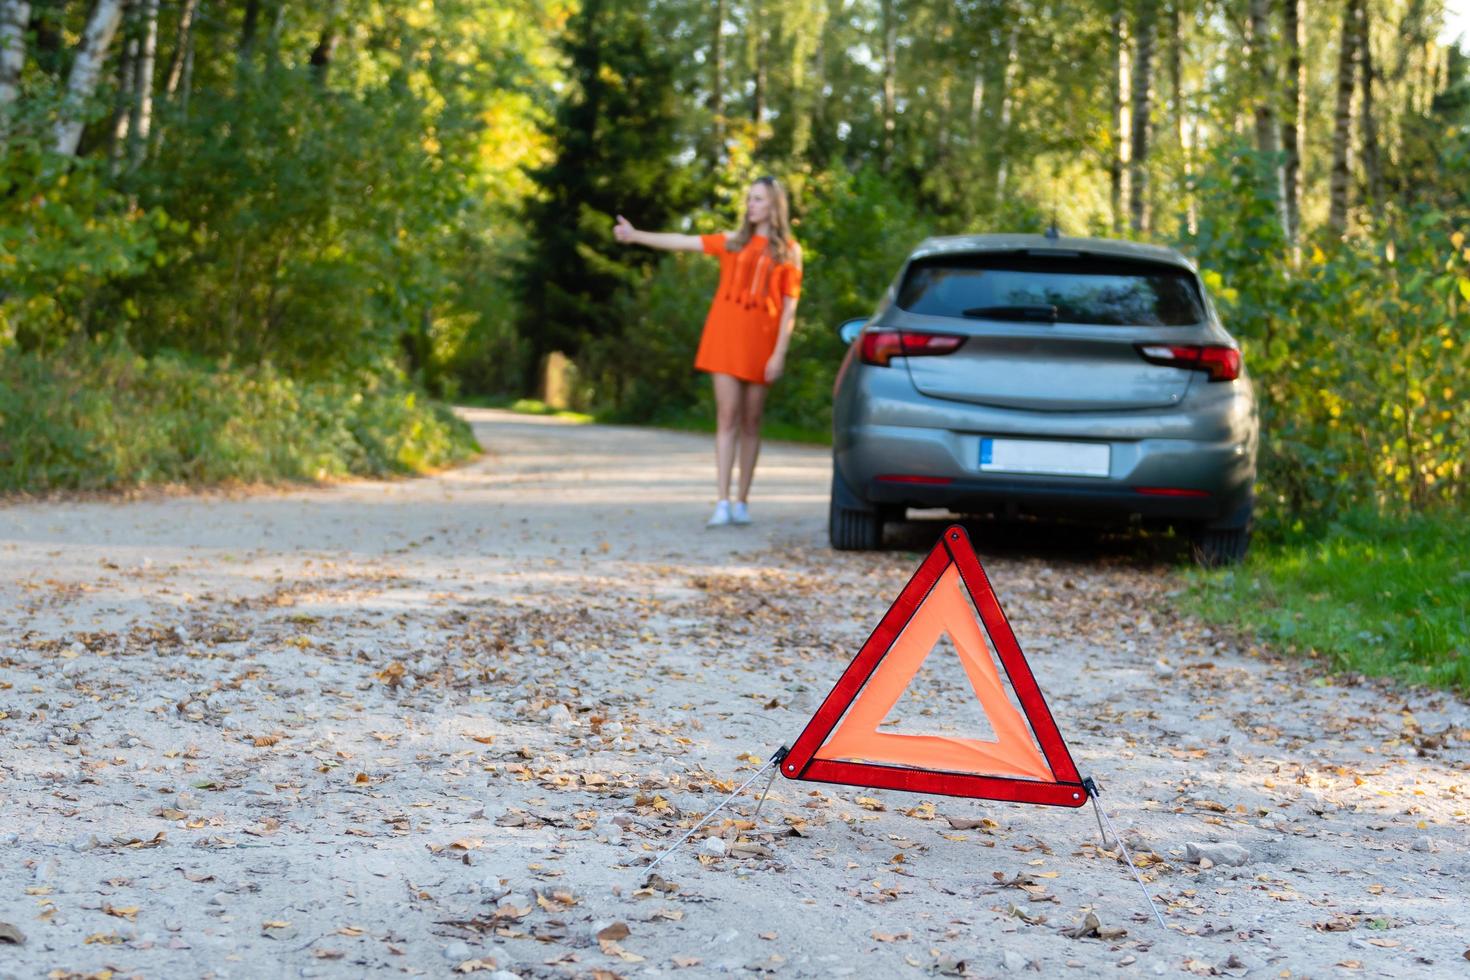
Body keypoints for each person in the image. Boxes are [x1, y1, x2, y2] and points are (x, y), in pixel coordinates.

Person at [612, 177, 803, 528]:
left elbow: (790, 308)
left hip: (762, 342)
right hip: (725, 337)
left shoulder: (789, 251)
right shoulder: (733, 241)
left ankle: (743, 500)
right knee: (726, 417)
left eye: (758, 199)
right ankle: (722, 501)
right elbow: (683, 241)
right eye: (749, 199)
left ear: (775, 205)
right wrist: (637, 235)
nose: (751, 205)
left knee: (752, 421)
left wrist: (779, 354)